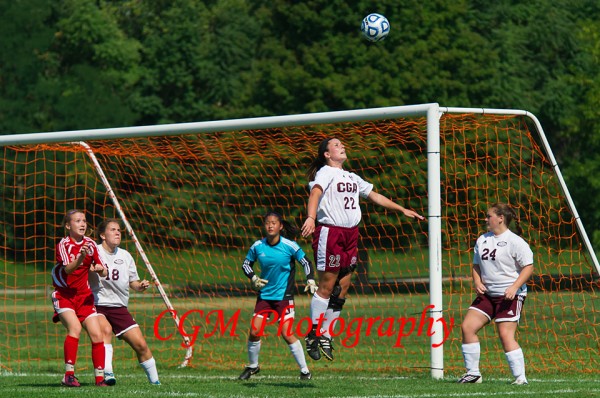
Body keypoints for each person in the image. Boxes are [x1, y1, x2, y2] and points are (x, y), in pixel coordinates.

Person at [300, 138, 425, 361]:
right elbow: (315, 193)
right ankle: (313, 333)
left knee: (344, 286)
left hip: (350, 234)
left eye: (341, 143)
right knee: (327, 286)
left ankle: (327, 334)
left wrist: (401, 209)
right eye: (336, 145)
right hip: (331, 232)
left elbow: (374, 195)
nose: (342, 146)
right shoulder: (326, 172)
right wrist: (311, 217)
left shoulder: (351, 176)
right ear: (327, 154)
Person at [458, 203, 534, 385]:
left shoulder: (515, 241)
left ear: (501, 218)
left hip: (509, 295)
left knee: (505, 335)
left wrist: (514, 287)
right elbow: (476, 264)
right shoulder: (482, 239)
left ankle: (520, 378)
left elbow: (528, 267)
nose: (485, 219)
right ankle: (473, 373)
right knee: (467, 327)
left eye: (489, 215)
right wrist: (477, 281)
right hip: (488, 295)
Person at [238, 212, 317, 381]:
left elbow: (306, 262)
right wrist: (253, 278)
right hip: (265, 297)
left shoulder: (290, 246)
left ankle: (305, 371)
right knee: (254, 331)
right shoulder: (257, 246)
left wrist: (310, 280)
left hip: (284, 297)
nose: (270, 225)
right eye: (267, 223)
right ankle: (253, 367)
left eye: (274, 223)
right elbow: (246, 264)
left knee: (286, 333)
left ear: (280, 226)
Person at [89, 219, 161, 385]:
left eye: (119, 230)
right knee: (105, 330)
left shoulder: (125, 255)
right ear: (102, 235)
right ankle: (108, 374)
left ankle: (155, 382)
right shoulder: (95, 252)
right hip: (97, 304)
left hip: (119, 307)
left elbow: (132, 283)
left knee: (141, 345)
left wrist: (140, 286)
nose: (117, 233)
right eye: (113, 230)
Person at [51, 209, 109, 387]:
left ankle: (100, 379)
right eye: (77, 221)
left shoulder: (91, 243)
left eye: (84, 220)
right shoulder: (63, 244)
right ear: (68, 226)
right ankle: (69, 375)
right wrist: (81, 256)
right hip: (64, 295)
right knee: (74, 328)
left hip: (84, 297)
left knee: (97, 334)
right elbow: (68, 269)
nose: (82, 224)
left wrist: (100, 269)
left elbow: (103, 269)